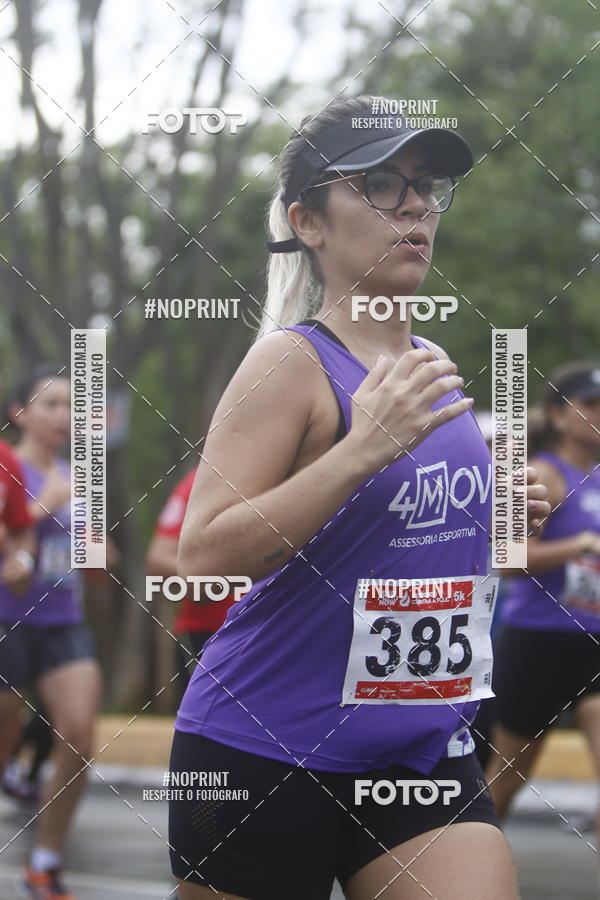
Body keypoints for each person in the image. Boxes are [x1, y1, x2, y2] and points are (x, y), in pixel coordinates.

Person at [168, 96, 549, 900]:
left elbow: (403, 561)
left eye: (426, 185)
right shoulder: (290, 363)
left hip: (419, 752)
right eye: (379, 183)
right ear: (309, 223)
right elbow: (201, 552)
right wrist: (364, 449)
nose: (414, 204)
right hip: (266, 746)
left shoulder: (432, 362)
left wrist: (493, 522)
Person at [0, 365, 102, 900]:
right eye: (50, 404)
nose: (65, 416)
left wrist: (98, 551)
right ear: (20, 413)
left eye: (71, 406)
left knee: (80, 735)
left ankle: (45, 860)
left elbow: (101, 561)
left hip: (63, 620)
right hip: (6, 620)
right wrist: (48, 506)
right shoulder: (5, 467)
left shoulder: (80, 477)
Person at [486, 363, 600, 839]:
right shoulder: (543, 476)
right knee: (508, 776)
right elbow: (507, 559)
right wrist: (579, 546)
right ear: (558, 415)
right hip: (539, 645)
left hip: (593, 644)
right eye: (591, 405)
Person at [146, 467, 237, 703]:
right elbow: (158, 559)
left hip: (269, 631)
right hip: (207, 636)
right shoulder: (197, 483)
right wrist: (224, 573)